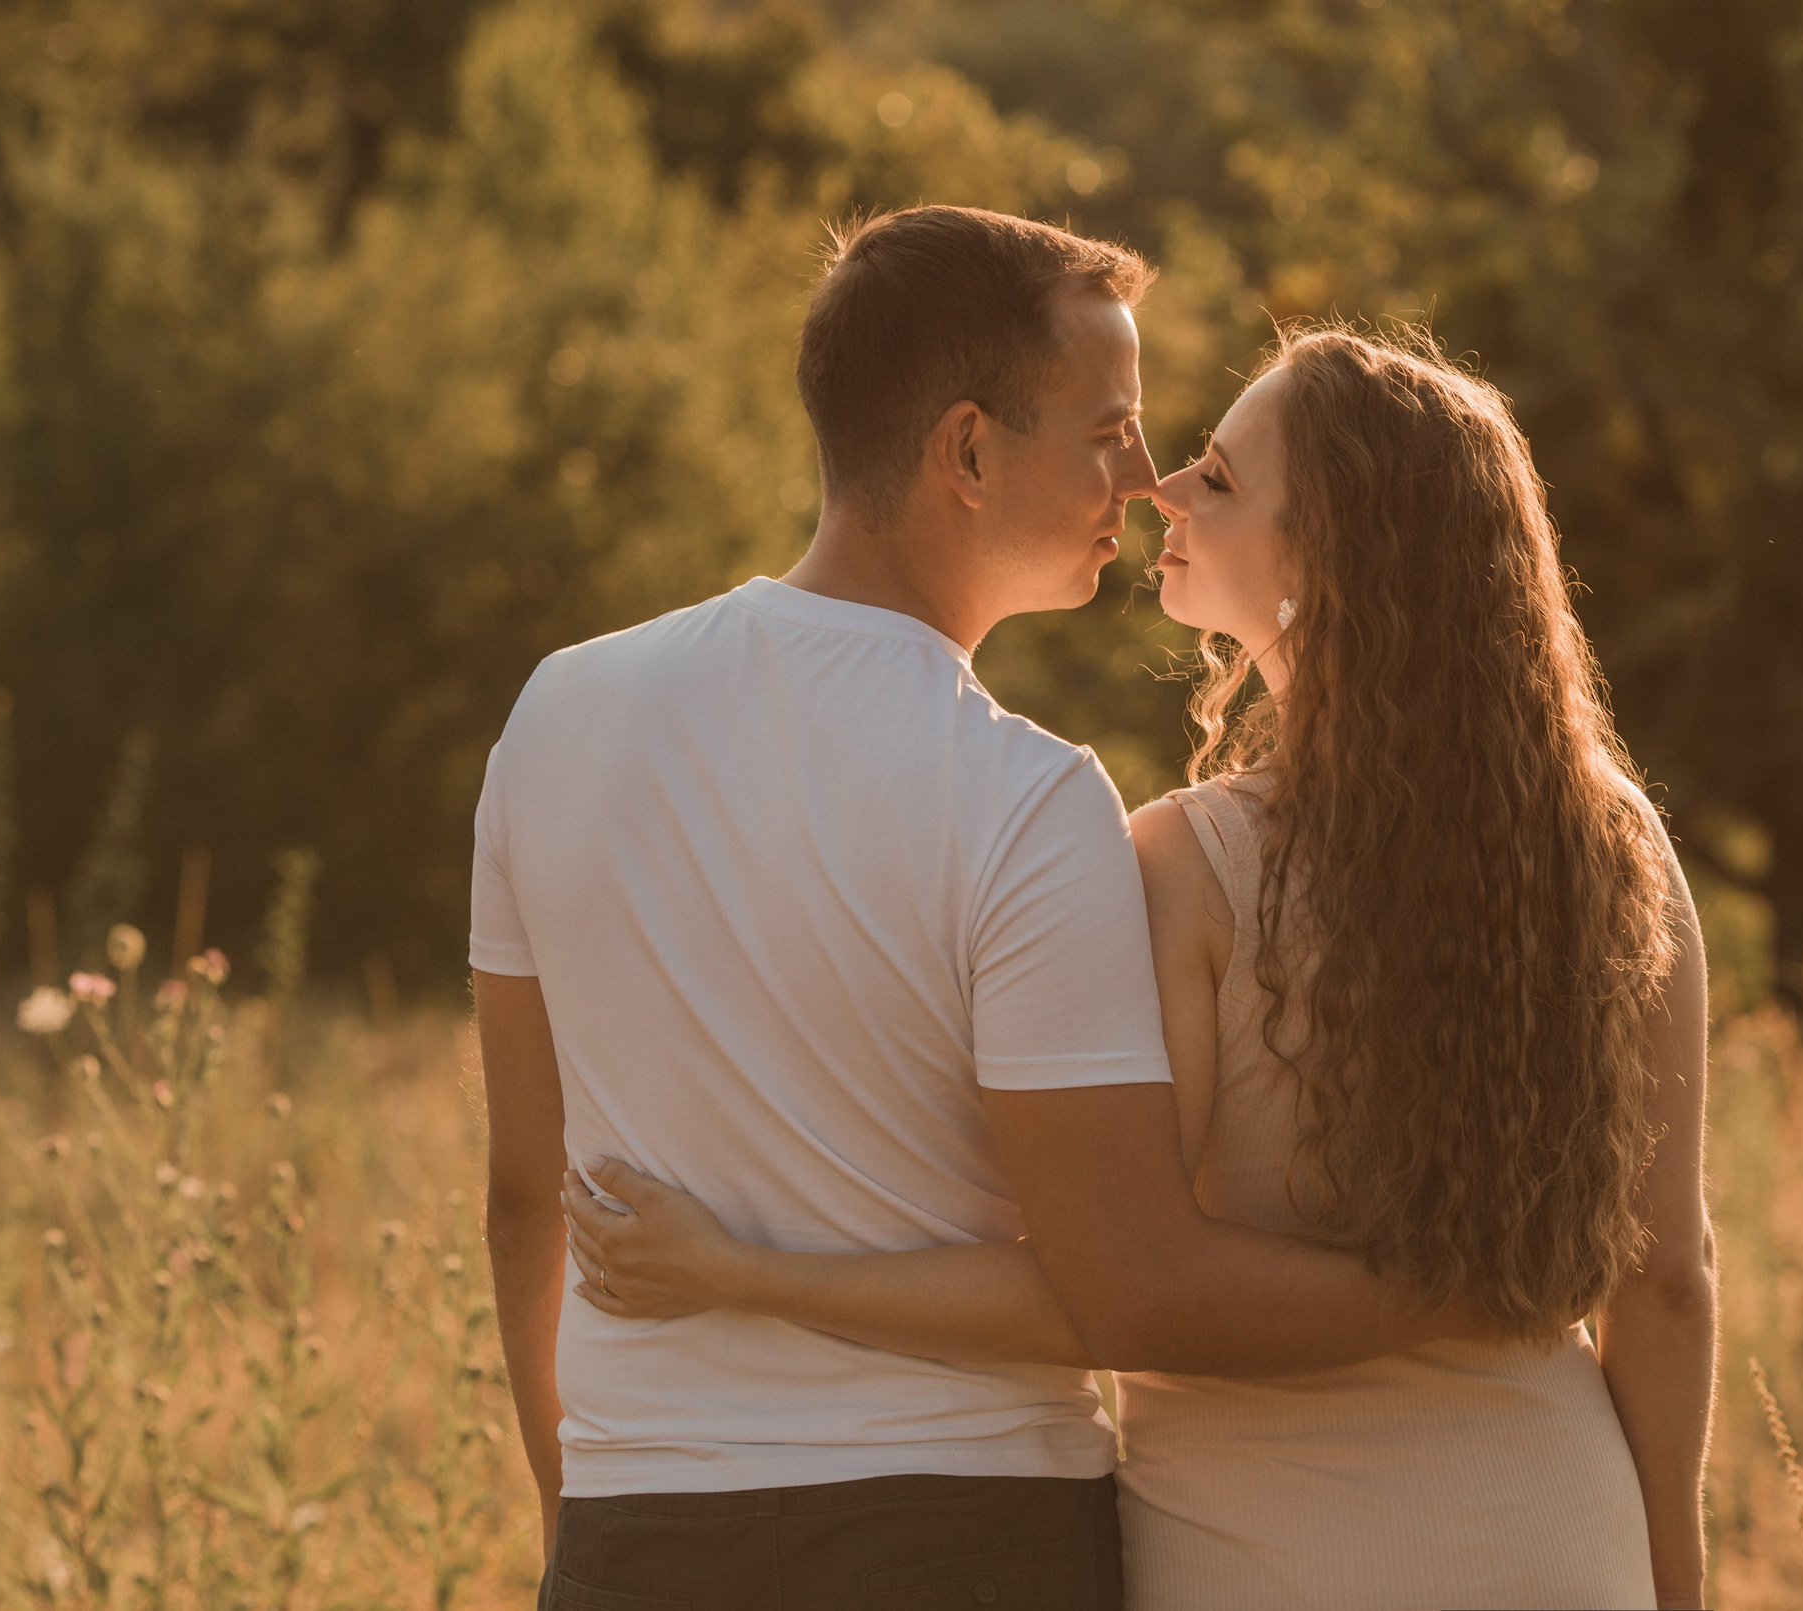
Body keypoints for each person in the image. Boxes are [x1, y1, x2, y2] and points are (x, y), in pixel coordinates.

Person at [562, 321, 1719, 1609]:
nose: (1160, 486)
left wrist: (744, 1274)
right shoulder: (1610, 842)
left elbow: (1116, 1289)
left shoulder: (1195, 865)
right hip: (1562, 1536)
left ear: (1326, 559)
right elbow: (1667, 1284)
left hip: (1270, 1562)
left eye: (1217, 477)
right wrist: (1676, 1587)